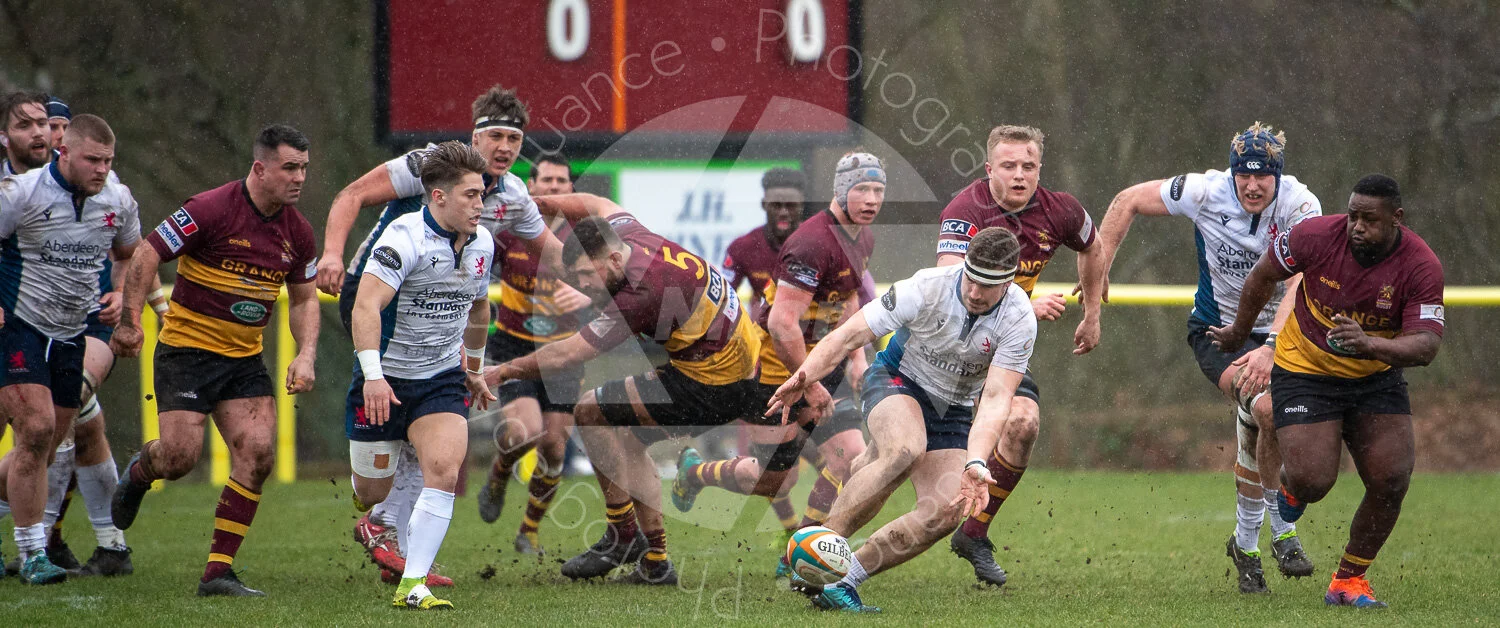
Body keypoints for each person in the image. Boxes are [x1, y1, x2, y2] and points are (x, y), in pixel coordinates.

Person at [317, 85, 559, 584]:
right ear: (475, 136)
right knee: (385, 456)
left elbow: (552, 250)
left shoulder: (511, 195)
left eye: (514, 138)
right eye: (495, 135)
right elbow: (353, 195)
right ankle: (381, 512)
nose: (505, 147)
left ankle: (396, 544)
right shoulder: (428, 165)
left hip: (441, 312)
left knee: (440, 435)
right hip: (378, 297)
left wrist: (610, 281)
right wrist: (333, 254)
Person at [483, 196, 764, 586]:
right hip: (733, 366)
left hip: (713, 384)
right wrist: (539, 203)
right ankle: (655, 563)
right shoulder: (630, 234)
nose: (581, 285)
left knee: (589, 411)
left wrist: (502, 372)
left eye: (584, 274)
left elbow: (568, 353)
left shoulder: (640, 294)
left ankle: (621, 535)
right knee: (630, 442)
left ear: (613, 261)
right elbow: (595, 202)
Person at [1087, 122, 1320, 592]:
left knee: (1268, 426)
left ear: (1279, 176)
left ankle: (1246, 546)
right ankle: (1284, 532)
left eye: (1263, 177)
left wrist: (1273, 347)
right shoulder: (1205, 190)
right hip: (1220, 335)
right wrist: (1100, 266)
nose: (1252, 186)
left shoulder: (1302, 206)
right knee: (1269, 411)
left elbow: (1300, 282)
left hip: (1283, 335)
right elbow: (1127, 199)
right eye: (1243, 176)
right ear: (1232, 174)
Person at [1209, 174, 1444, 609]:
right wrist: (1240, 332)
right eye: (1353, 215)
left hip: (1375, 376)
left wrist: (1371, 345)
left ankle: (1348, 581)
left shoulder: (1421, 265)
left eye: (1369, 219)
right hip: (1306, 369)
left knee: (1391, 478)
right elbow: (1263, 275)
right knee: (1314, 481)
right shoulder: (1316, 236)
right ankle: (1294, 488)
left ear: (1397, 219)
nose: (1356, 226)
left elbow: (1427, 345)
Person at [772, 227, 1036, 612]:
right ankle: (817, 552)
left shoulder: (1019, 319)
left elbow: (995, 399)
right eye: (972, 279)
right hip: (898, 379)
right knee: (905, 450)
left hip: (955, 407)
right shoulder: (927, 286)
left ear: (1010, 282)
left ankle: (843, 581)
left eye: (988, 286)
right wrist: (803, 377)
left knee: (948, 510)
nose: (975, 292)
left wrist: (977, 461)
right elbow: (848, 336)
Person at [108, 124, 320, 597]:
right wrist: (129, 320)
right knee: (180, 458)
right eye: (290, 167)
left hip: (244, 361)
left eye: (304, 168)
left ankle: (217, 573)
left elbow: (304, 301)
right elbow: (146, 254)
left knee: (259, 453)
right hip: (186, 352)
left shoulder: (298, 232)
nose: (299, 177)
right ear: (260, 168)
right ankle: (141, 471)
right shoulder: (209, 209)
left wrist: (305, 354)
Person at [672, 153, 881, 583]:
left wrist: (857, 358)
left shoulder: (861, 238)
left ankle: (801, 547)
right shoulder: (803, 244)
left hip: (826, 366)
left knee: (850, 461)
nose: (871, 199)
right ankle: (695, 473)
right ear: (840, 190)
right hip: (776, 375)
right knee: (773, 484)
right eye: (862, 189)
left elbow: (849, 301)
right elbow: (771, 320)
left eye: (879, 190)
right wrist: (802, 381)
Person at [935, 125, 1102, 587]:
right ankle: (828, 538)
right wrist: (1026, 304)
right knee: (898, 457)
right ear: (989, 169)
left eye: (1028, 166)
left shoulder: (1059, 210)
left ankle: (973, 533)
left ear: (1039, 169)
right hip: (945, 347)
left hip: (1002, 347)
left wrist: (1091, 313)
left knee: (1024, 424)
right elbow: (951, 287)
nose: (1019, 174)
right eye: (1008, 166)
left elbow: (1093, 246)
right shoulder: (965, 210)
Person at [0, 95, 149, 579]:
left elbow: (129, 253)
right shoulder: (21, 193)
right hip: (20, 326)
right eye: (93, 159)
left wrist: (122, 295)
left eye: (109, 161)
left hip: (71, 333)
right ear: (66, 152)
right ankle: (32, 554)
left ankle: (35, 548)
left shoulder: (117, 200)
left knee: (43, 448)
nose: (102, 169)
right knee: (38, 430)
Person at [347, 141, 496, 610]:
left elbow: (478, 307)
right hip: (384, 380)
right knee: (372, 489)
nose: (480, 204)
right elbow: (365, 305)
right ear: (438, 196)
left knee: (444, 471)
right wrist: (373, 376)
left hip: (440, 379)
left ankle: (413, 585)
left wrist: (472, 368)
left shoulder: (484, 243)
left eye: (482, 194)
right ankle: (373, 516)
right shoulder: (402, 238)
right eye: (470, 195)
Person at [475, 151, 592, 557]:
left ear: (571, 188)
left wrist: (586, 293)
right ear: (532, 185)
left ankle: (529, 531)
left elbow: (618, 283)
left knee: (556, 448)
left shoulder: (586, 236)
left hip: (565, 352)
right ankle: (499, 473)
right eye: (546, 181)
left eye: (562, 181)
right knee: (523, 434)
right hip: (515, 344)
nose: (554, 188)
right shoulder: (508, 229)